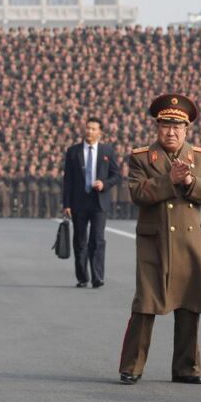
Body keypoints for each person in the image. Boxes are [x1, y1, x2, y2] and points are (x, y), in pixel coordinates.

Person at [118, 94, 201, 385]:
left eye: (177, 126)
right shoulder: (141, 157)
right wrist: (170, 181)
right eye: (165, 125)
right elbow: (138, 194)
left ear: (187, 129)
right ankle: (132, 366)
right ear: (157, 127)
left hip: (190, 244)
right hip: (154, 242)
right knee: (145, 305)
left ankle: (187, 368)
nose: (171, 132)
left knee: (190, 306)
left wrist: (190, 182)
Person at [62, 117, 120, 288]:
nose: (89, 131)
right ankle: (82, 277)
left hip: (98, 202)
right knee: (79, 240)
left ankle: (98, 276)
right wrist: (66, 204)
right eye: (87, 128)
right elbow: (68, 180)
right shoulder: (73, 151)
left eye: (93, 129)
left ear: (100, 132)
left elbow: (116, 175)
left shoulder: (107, 151)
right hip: (78, 202)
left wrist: (104, 184)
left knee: (98, 239)